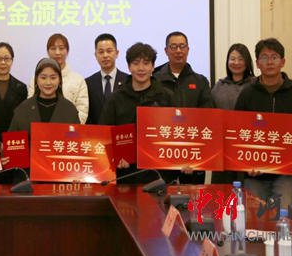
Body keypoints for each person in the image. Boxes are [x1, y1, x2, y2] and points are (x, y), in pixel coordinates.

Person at [235, 38, 292, 210]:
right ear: (257, 63)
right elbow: (236, 133)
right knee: (254, 219)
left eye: (274, 57)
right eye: (264, 58)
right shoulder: (247, 94)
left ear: (283, 62)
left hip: (285, 174)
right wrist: (245, 165)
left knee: (283, 216)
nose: (269, 62)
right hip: (254, 174)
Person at [99, 43, 181, 183]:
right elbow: (104, 134)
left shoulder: (166, 96)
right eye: (136, 63)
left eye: (146, 63)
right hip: (126, 175)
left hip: (160, 176)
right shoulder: (116, 98)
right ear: (129, 67)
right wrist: (115, 158)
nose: (141, 68)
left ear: (153, 66)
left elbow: (178, 131)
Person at [154, 31, 213, 184]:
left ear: (188, 49)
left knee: (193, 197)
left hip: (193, 155)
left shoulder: (200, 81)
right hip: (163, 153)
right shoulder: (155, 81)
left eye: (182, 46)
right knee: (162, 197)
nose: (178, 51)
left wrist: (196, 155)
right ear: (166, 51)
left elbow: (207, 117)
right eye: (173, 47)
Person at [211, 43, 255, 185]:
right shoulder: (220, 86)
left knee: (246, 190)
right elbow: (210, 114)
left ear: (247, 62)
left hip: (247, 146)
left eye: (240, 59)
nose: (236, 63)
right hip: (223, 148)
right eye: (232, 59)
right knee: (222, 190)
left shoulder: (255, 85)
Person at [27, 34, 89, 124]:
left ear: (67, 51)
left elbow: (82, 110)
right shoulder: (36, 80)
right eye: (53, 48)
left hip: (69, 129)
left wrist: (70, 127)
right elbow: (30, 108)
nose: (57, 52)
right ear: (48, 51)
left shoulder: (78, 80)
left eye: (61, 48)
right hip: (40, 129)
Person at [9, 58, 80, 136]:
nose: (48, 82)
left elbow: (76, 139)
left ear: (59, 80)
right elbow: (13, 140)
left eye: (53, 78)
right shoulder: (23, 109)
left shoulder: (69, 109)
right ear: (36, 79)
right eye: (43, 78)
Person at [85, 34, 129, 125]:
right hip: (96, 131)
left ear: (117, 53)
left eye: (109, 51)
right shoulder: (88, 83)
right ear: (95, 55)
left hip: (121, 131)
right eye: (101, 52)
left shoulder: (128, 81)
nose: (105, 55)